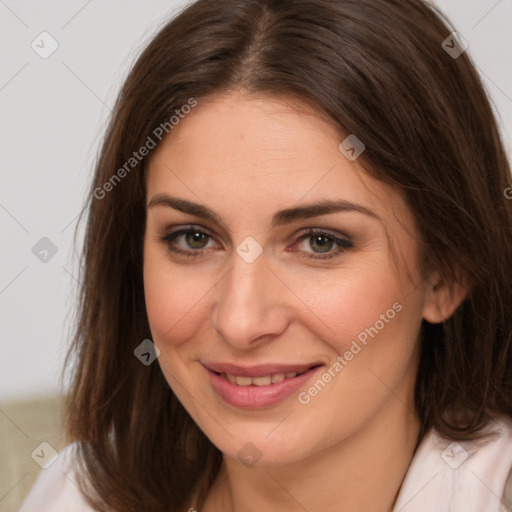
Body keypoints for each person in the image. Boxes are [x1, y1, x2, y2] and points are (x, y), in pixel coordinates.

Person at [20, 0, 512, 510]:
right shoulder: (77, 492)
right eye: (193, 238)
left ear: (447, 272)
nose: (240, 321)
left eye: (320, 242)